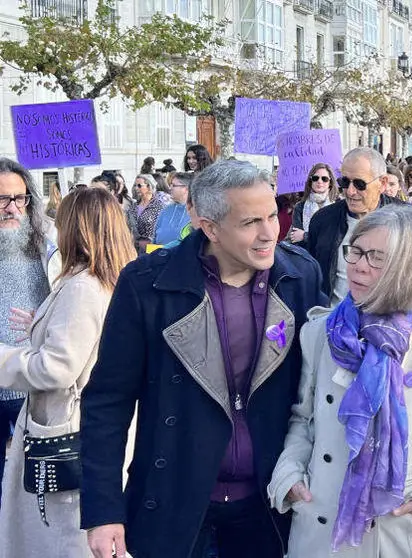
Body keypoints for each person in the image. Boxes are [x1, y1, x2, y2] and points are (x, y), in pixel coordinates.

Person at [80, 161, 327, 558]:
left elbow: (317, 391)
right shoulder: (147, 283)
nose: (269, 233)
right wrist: (103, 510)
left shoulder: (301, 275)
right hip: (174, 499)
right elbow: (107, 400)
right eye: (250, 222)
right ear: (210, 227)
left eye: (270, 215)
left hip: (269, 502)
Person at [267, 205, 412, 558]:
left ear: (408, 268)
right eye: (355, 250)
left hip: (404, 533)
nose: (358, 264)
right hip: (323, 528)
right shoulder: (320, 332)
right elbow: (303, 419)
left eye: (375, 257)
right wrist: (290, 476)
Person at [0, 187, 136, 557]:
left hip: (66, 428)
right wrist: (40, 327)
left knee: (59, 539)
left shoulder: (82, 286)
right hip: (87, 427)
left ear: (74, 229)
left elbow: (57, 369)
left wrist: (4, 359)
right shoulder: (111, 280)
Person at [0, 158, 61, 508]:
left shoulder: (49, 246)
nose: (13, 208)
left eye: (20, 199)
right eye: (3, 200)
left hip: (33, 379)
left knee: (35, 488)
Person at [307, 148, 403, 306]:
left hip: (388, 324)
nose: (350, 192)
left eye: (359, 184)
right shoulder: (322, 220)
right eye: (344, 182)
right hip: (332, 323)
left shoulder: (407, 222)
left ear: (383, 183)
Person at [289, 163, 337, 249]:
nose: (319, 181)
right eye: (315, 178)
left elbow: (335, 237)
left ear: (330, 182)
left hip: (330, 257)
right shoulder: (300, 207)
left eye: (324, 179)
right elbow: (296, 238)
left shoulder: (337, 205)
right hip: (306, 256)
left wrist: (305, 236)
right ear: (311, 181)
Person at [128, 173, 167, 252]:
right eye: (135, 185)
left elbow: (162, 230)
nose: (136, 188)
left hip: (151, 249)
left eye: (139, 185)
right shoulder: (133, 207)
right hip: (134, 248)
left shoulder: (159, 206)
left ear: (149, 186)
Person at [154, 172, 193, 245]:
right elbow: (155, 236)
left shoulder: (195, 211)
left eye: (174, 185)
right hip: (161, 254)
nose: (170, 188)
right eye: (170, 185)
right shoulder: (166, 210)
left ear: (186, 188)